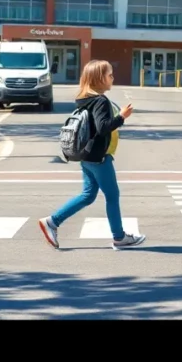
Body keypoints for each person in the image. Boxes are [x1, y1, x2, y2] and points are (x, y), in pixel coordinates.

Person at [38, 60, 146, 250]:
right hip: (99, 157)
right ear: (99, 78)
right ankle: (119, 237)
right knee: (112, 196)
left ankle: (52, 222)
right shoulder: (100, 101)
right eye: (110, 75)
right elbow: (103, 127)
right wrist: (121, 116)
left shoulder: (84, 99)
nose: (113, 78)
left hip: (86, 156)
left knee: (88, 195)